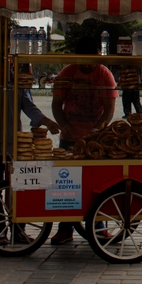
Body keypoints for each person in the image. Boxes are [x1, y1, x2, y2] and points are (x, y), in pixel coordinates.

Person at [0, 64, 60, 245]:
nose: (10, 69)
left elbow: (29, 108)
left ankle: (19, 231)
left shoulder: (18, 86)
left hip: (16, 147)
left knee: (18, 189)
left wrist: (46, 121)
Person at [50, 37, 118, 245]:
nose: (87, 65)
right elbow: (56, 104)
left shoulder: (105, 75)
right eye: (83, 60)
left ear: (98, 56)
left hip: (95, 139)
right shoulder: (67, 73)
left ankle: (98, 227)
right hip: (69, 138)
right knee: (66, 184)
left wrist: (98, 130)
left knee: (96, 183)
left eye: (91, 60)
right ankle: (65, 228)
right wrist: (63, 124)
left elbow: (109, 110)